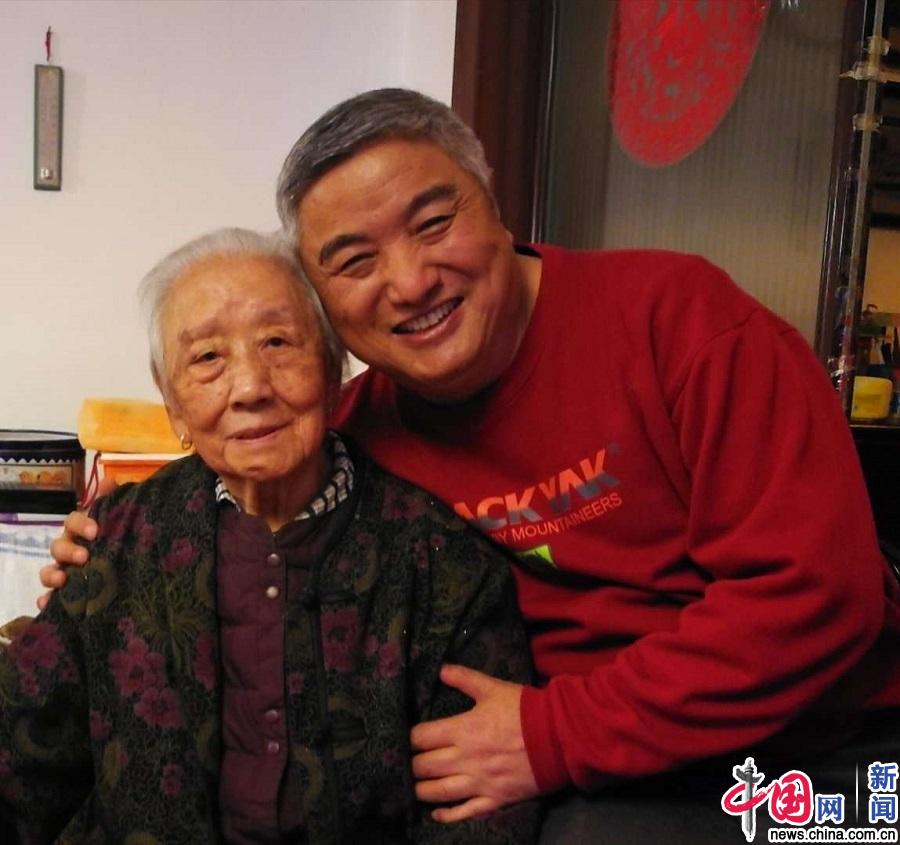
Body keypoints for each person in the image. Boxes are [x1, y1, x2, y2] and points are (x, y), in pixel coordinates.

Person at [45, 90, 900, 841]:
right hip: (563, 760)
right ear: (325, 307)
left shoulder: (681, 323)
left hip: (812, 750)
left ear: (495, 206)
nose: (411, 281)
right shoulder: (356, 427)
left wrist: (551, 735)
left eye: (433, 222)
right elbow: (238, 490)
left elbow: (816, 597)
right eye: (355, 261)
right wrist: (106, 550)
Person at [3, 227, 537, 843]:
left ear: (334, 371)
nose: (251, 388)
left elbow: (484, 812)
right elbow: (23, 752)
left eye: (278, 342)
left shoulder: (438, 558)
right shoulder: (117, 537)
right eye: (208, 358)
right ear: (174, 407)